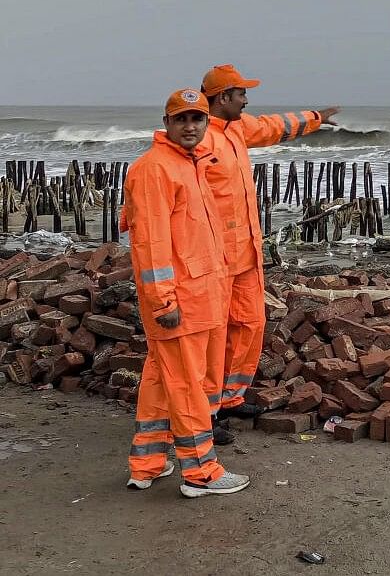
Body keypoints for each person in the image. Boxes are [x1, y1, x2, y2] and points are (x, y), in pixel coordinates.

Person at [199, 64, 339, 443]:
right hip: (212, 257)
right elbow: (168, 189)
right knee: (213, 335)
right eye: (241, 94)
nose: (247, 100)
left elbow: (274, 126)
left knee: (249, 323)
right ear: (223, 97)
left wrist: (314, 118)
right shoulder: (199, 139)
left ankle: (230, 398)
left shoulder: (236, 130)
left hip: (245, 253)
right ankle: (204, 414)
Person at [124, 88, 250, 497]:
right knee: (188, 385)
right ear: (167, 124)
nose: (191, 126)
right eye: (182, 119)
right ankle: (201, 473)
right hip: (180, 302)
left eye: (197, 119)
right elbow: (151, 245)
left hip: (201, 296)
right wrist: (164, 301)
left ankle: (147, 464)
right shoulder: (155, 170)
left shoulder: (191, 165)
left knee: (164, 379)